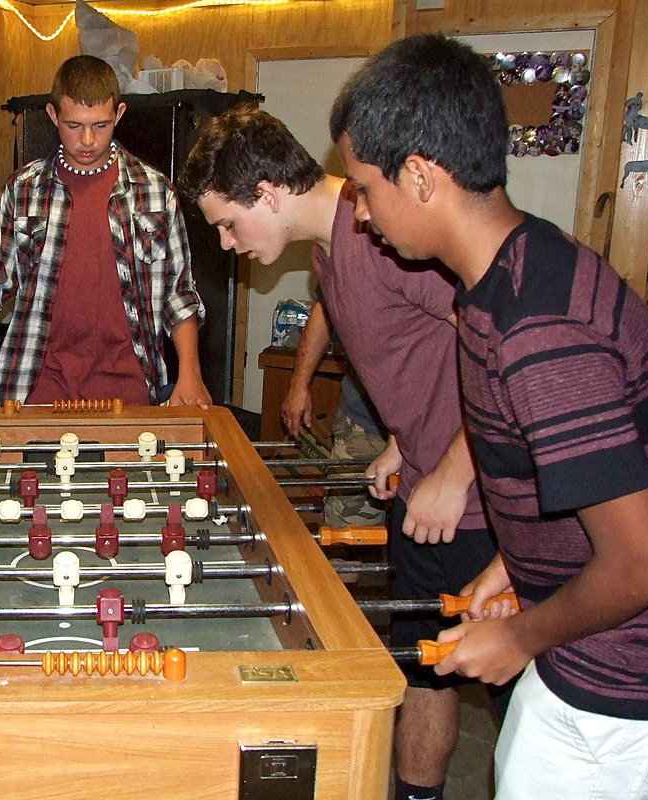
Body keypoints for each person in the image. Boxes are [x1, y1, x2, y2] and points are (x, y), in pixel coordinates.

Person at [329, 32, 648, 800]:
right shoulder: (504, 278)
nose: (360, 213)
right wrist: (515, 566)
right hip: (593, 658)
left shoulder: (536, 327)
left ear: (420, 176)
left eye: (365, 188)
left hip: (628, 685)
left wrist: (519, 636)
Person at [178, 104, 509, 800]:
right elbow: (425, 353)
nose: (228, 243)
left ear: (268, 193)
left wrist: (455, 469)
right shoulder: (332, 250)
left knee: (523, 696)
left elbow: (502, 345)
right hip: (424, 487)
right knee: (427, 671)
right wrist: (404, 442)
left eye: (228, 223)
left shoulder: (388, 233)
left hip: (491, 503)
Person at [0, 54, 209, 410]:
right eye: (74, 125)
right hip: (38, 388)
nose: (87, 140)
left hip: (128, 389)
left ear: (119, 114)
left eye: (100, 125)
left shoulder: (156, 192)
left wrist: (190, 372)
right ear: (53, 115)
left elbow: (178, 293)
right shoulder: (24, 190)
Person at [282, 303, 388, 530]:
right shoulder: (348, 278)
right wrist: (299, 385)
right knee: (345, 537)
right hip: (363, 425)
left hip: (434, 436)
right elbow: (325, 308)